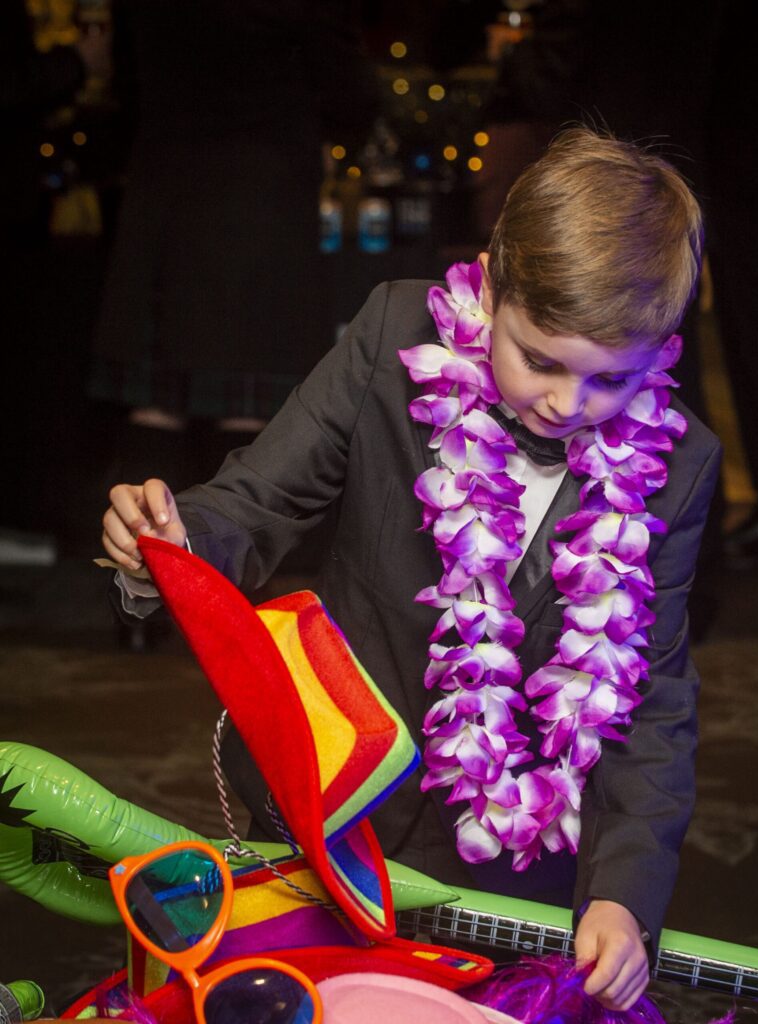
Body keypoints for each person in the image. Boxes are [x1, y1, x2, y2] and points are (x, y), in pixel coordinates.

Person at [100, 127, 720, 1013]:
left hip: (511, 871)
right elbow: (260, 500)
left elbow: (652, 702)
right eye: (540, 360)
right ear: (492, 286)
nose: (565, 403)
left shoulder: (679, 465)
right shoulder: (393, 336)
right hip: (329, 819)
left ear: (658, 352)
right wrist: (171, 542)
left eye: (610, 382)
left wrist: (623, 895)